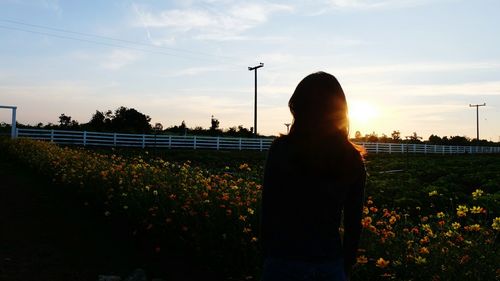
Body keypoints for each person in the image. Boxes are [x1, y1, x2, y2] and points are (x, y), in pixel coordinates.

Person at [260, 72, 366, 281]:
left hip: (283, 260)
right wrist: (346, 265)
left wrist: (266, 256)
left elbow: (268, 210)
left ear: (299, 109)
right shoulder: (352, 159)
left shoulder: (281, 150)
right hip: (329, 263)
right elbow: (354, 223)